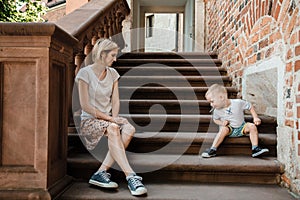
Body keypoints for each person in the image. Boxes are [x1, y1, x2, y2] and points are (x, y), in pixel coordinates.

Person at [75, 38, 147, 196]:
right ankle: (131, 176)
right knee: (114, 128)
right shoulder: (84, 73)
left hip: (107, 119)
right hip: (90, 121)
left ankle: (101, 172)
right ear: (102, 54)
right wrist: (112, 121)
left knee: (129, 128)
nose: (115, 59)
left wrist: (115, 117)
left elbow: (115, 100)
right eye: (113, 55)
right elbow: (86, 106)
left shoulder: (113, 73)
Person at [201, 84, 269, 158]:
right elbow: (215, 119)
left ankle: (255, 148)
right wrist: (221, 123)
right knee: (223, 129)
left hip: (241, 127)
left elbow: (249, 106)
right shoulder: (217, 110)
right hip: (229, 129)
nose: (211, 105)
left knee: (252, 126)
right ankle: (213, 149)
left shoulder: (238, 103)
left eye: (212, 101)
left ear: (221, 97)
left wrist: (255, 117)